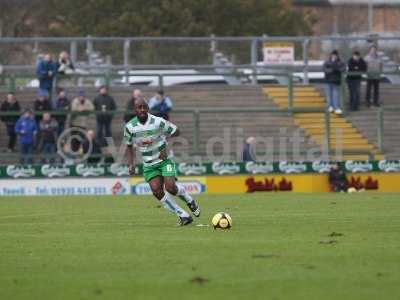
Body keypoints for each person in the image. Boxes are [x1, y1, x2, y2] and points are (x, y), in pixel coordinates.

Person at [124, 98, 200, 226]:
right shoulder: (129, 127)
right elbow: (129, 146)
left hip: (164, 160)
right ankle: (183, 215)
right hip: (149, 164)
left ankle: (189, 200)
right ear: (135, 110)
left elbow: (176, 131)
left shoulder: (157, 121)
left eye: (144, 107)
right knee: (156, 191)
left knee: (170, 187)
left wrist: (167, 147)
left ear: (148, 108)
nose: (142, 109)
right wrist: (131, 164)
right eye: (139, 107)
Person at [323, 50, 345, 115]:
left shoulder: (340, 62)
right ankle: (330, 106)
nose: (334, 56)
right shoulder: (327, 62)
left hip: (336, 81)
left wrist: (337, 69)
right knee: (328, 95)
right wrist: (331, 70)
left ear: (337, 56)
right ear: (331, 55)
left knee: (336, 95)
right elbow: (324, 69)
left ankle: (336, 107)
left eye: (335, 55)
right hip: (328, 81)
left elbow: (343, 69)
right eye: (333, 55)